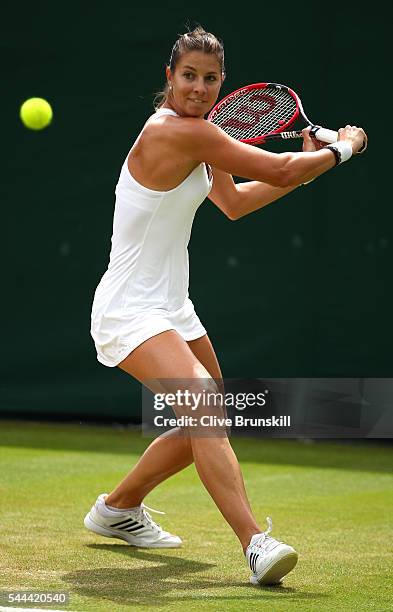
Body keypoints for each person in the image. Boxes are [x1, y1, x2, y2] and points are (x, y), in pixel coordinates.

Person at [84, 26, 367, 586]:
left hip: (171, 306)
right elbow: (280, 167)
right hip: (129, 308)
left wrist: (309, 165)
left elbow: (235, 202)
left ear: (222, 83)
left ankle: (117, 510)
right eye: (188, 75)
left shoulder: (203, 134)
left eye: (210, 78)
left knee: (209, 420)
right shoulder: (173, 132)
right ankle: (255, 544)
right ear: (169, 77)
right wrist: (344, 148)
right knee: (206, 405)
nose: (199, 87)